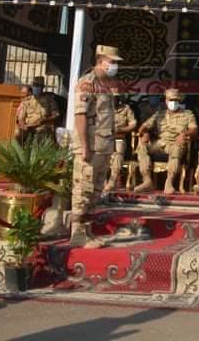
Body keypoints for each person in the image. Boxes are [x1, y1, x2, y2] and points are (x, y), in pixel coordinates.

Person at [70, 44, 121, 248]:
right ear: (100, 61)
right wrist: (84, 146)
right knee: (83, 190)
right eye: (112, 62)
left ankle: (88, 233)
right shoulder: (87, 83)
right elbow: (80, 115)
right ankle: (77, 234)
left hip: (103, 147)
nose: (115, 66)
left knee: (95, 192)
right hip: (90, 147)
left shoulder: (105, 84)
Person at [132, 88, 198, 194]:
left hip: (175, 143)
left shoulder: (187, 114)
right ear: (166, 101)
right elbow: (144, 126)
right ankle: (147, 181)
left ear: (179, 100)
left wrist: (184, 134)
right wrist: (145, 133)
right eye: (171, 100)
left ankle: (169, 182)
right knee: (142, 147)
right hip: (160, 143)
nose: (173, 102)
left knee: (176, 149)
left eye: (176, 100)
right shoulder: (159, 114)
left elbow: (194, 130)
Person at [103, 94, 137, 191]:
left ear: (118, 99)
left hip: (119, 137)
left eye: (115, 98)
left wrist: (122, 129)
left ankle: (112, 181)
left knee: (118, 154)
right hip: (105, 138)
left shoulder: (126, 108)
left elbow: (133, 124)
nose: (113, 100)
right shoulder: (104, 108)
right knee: (101, 154)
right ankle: (103, 182)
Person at [15, 76, 62, 141]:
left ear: (43, 87)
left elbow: (56, 115)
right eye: (34, 85)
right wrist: (23, 125)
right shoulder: (27, 100)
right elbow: (21, 118)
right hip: (28, 126)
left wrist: (45, 120)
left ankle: (37, 147)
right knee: (17, 133)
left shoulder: (49, 100)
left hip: (43, 126)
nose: (36, 87)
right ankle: (23, 147)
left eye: (38, 85)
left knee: (40, 133)